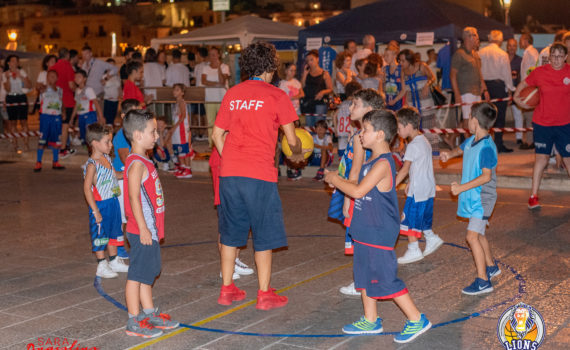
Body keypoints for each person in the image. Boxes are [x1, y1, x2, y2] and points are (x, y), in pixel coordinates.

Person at [211, 41, 305, 310]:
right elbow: (291, 139)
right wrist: (299, 151)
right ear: (272, 66)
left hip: (229, 173)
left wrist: (229, 157)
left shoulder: (233, 93)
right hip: (259, 174)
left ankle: (227, 289)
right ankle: (264, 294)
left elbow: (217, 135)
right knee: (263, 233)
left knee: (230, 232)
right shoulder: (277, 96)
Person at [324, 109, 431, 342]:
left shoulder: (383, 163)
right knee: (363, 275)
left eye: (365, 130)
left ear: (380, 134)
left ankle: (416, 319)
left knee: (384, 278)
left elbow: (359, 191)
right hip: (365, 229)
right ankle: (370, 320)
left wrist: (335, 179)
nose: (360, 134)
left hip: (379, 231)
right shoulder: (371, 160)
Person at [122, 110, 180, 338]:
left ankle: (148, 313)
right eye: (152, 131)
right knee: (137, 274)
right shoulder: (137, 164)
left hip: (149, 229)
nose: (156, 135)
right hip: (141, 230)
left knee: (148, 272)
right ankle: (133, 320)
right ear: (137, 135)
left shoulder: (143, 160)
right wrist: (144, 227)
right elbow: (134, 197)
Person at [440, 102, 501, 295]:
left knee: (471, 236)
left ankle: (483, 281)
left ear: (474, 120)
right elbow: (462, 149)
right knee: (480, 233)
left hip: (482, 199)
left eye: (469, 118)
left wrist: (460, 188)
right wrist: (449, 154)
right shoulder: (473, 139)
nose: (468, 121)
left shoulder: (487, 148)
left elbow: (486, 177)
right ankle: (491, 267)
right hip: (475, 197)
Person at [337, 88, 385, 297]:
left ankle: (362, 283)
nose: (351, 107)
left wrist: (348, 198)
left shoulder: (360, 137)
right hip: (366, 193)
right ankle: (370, 279)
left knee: (360, 241)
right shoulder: (363, 135)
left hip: (359, 194)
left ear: (369, 109)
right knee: (366, 240)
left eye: (355, 103)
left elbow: (355, 172)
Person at [514, 42, 570, 210]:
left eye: (560, 56)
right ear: (549, 57)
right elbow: (524, 85)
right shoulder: (540, 72)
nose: (557, 60)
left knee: (568, 159)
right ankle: (533, 196)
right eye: (554, 56)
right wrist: (517, 98)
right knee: (541, 159)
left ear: (566, 57)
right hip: (542, 123)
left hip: (564, 124)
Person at [394, 107, 443, 263]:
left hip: (419, 190)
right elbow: (419, 166)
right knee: (422, 217)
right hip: (427, 187)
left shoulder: (413, 145)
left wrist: (392, 185)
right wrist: (410, 181)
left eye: (399, 127)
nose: (397, 131)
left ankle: (413, 249)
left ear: (408, 125)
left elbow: (405, 169)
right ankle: (431, 237)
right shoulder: (424, 140)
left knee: (408, 219)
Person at [83, 123, 129, 279]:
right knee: (100, 234)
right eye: (107, 142)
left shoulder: (107, 158)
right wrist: (95, 210)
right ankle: (102, 264)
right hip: (101, 205)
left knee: (114, 231)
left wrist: (128, 174)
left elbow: (114, 175)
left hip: (113, 202)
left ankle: (114, 260)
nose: (111, 145)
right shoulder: (92, 165)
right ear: (95, 143)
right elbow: (87, 188)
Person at [113, 99, 143, 260]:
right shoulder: (122, 135)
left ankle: (126, 245)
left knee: (130, 214)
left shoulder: (135, 133)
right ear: (124, 116)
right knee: (122, 217)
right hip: (122, 180)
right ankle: (117, 248)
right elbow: (126, 158)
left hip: (131, 178)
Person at [479, 30, 515, 153]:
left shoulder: (480, 52)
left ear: (489, 39)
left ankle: (484, 144)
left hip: (484, 87)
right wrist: (510, 89)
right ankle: (498, 145)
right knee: (499, 118)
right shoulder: (502, 54)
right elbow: (506, 73)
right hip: (498, 87)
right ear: (500, 40)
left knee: (484, 117)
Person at [400, 49, 439, 152]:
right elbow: (404, 90)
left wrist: (427, 84)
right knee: (413, 127)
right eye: (400, 61)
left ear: (409, 60)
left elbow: (433, 78)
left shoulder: (421, 66)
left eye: (403, 61)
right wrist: (404, 103)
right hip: (411, 102)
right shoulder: (403, 72)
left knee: (429, 125)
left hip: (425, 99)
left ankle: (432, 151)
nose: (401, 63)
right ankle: (417, 151)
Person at [451, 27, 489, 130]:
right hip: (466, 91)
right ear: (469, 37)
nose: (478, 38)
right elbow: (452, 75)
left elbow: (479, 72)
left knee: (476, 119)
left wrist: (484, 89)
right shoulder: (459, 54)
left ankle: (451, 139)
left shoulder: (475, 54)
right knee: (468, 120)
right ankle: (468, 145)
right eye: (476, 35)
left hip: (477, 91)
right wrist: (457, 94)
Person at [34, 70, 66, 172]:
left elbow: (62, 102)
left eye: (53, 77)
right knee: (42, 140)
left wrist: (63, 112)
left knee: (56, 141)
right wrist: (45, 84)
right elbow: (39, 88)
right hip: (45, 117)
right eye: (49, 76)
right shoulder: (43, 88)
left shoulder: (60, 90)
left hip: (56, 117)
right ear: (47, 78)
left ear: (57, 78)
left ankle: (55, 162)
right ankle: (38, 162)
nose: (51, 78)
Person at [202, 47, 230, 147]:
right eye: (210, 55)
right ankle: (212, 144)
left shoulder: (224, 67)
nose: (212, 57)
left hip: (222, 99)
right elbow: (204, 81)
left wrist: (218, 68)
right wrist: (217, 84)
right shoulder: (205, 67)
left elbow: (222, 81)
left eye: (214, 54)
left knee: (223, 122)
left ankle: (223, 144)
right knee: (210, 123)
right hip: (209, 98)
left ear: (218, 55)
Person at [3, 54, 31, 153]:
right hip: (11, 97)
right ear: (9, 63)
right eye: (13, 61)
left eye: (16, 61)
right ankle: (15, 145)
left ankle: (26, 144)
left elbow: (29, 85)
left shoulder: (22, 72)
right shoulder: (5, 74)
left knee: (24, 121)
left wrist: (22, 77)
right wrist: (7, 79)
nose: (15, 63)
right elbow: (7, 89)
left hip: (21, 96)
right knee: (12, 122)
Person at [51, 48, 77, 158]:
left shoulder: (52, 68)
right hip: (67, 101)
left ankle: (61, 146)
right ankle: (63, 150)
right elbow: (71, 85)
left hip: (54, 101)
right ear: (67, 55)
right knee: (65, 126)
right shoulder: (68, 67)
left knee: (59, 125)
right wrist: (78, 89)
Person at [301, 50, 333, 127]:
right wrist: (305, 74)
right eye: (308, 61)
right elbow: (301, 86)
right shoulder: (306, 73)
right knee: (309, 126)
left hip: (320, 102)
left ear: (317, 59)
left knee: (319, 125)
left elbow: (330, 89)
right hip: (308, 102)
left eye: (312, 59)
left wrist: (322, 92)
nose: (310, 62)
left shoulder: (324, 73)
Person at [70, 69, 103, 143]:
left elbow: (96, 103)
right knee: (83, 135)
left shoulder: (88, 89)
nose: (76, 79)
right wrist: (72, 118)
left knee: (90, 133)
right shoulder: (77, 90)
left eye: (79, 77)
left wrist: (101, 117)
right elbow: (76, 105)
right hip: (81, 115)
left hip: (90, 114)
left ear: (84, 79)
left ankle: (93, 150)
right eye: (75, 77)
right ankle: (88, 146)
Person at [169, 83, 194, 179]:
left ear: (182, 93)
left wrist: (174, 127)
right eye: (174, 89)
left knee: (184, 149)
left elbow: (183, 116)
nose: (174, 91)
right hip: (178, 129)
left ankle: (188, 169)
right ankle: (183, 167)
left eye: (177, 90)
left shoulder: (182, 102)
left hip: (182, 129)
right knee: (179, 149)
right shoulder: (176, 103)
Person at [519, 33, 539, 150]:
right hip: (528, 88)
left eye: (521, 40)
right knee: (528, 116)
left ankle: (531, 141)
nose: (520, 42)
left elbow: (535, 70)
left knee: (529, 116)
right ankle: (530, 140)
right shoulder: (529, 52)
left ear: (526, 40)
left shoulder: (531, 53)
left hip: (530, 89)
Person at [333, 81, 361, 158]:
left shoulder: (342, 104)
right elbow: (351, 118)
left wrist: (336, 129)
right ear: (355, 92)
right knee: (351, 161)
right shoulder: (353, 104)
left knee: (342, 163)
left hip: (341, 135)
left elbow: (334, 115)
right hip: (350, 135)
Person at [507, 38, 524, 145]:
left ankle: (519, 137)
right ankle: (495, 137)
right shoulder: (502, 58)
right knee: (498, 114)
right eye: (510, 45)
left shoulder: (520, 60)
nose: (512, 48)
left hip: (515, 90)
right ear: (507, 47)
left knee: (518, 114)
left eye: (514, 46)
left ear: (516, 47)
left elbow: (522, 76)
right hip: (503, 90)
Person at [381, 45, 406, 111]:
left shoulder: (401, 69)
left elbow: (404, 89)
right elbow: (383, 88)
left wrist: (395, 100)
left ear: (394, 56)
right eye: (384, 55)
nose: (385, 58)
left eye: (387, 55)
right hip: (388, 102)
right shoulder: (385, 69)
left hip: (398, 102)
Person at [102, 58, 121, 128]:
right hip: (107, 100)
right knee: (107, 120)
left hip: (115, 100)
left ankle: (111, 134)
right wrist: (108, 77)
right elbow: (102, 83)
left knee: (113, 118)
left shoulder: (117, 76)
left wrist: (121, 96)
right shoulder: (103, 76)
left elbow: (119, 87)